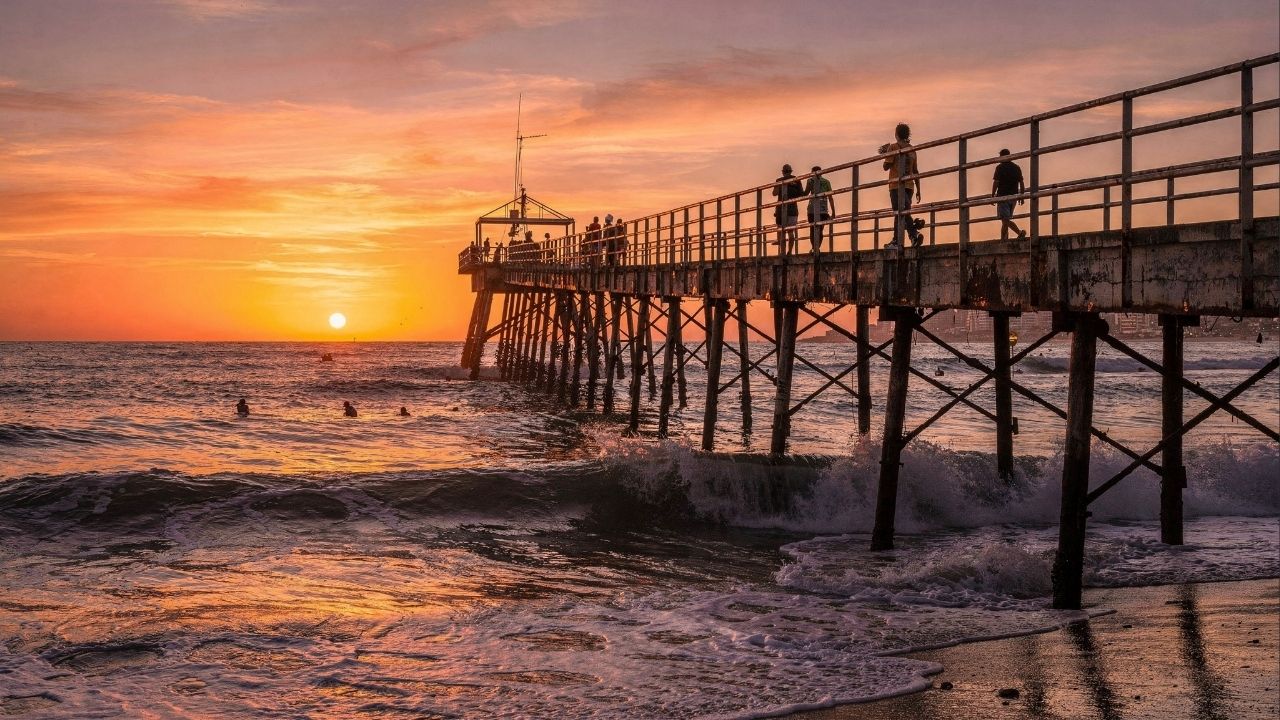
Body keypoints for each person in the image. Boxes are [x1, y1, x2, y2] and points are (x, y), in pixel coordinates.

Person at [882, 123, 924, 249]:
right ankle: (898, 240)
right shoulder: (912, 150)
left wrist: (887, 153)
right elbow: (915, 171)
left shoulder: (893, 147)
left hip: (896, 185)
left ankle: (913, 234)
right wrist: (918, 190)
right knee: (900, 213)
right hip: (910, 186)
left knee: (900, 213)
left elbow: (885, 166)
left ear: (896, 134)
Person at [992, 148, 1027, 240]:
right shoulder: (1016, 167)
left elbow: (996, 182)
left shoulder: (999, 167)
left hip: (1003, 196)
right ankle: (1018, 234)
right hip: (1014, 197)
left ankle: (1004, 240)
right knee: (1006, 220)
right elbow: (1021, 183)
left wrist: (992, 195)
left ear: (1002, 157)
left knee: (1005, 220)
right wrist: (1022, 196)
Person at [772, 164, 803, 253]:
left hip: (780, 210)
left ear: (782, 172)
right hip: (793, 209)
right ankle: (789, 251)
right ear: (791, 171)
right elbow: (801, 194)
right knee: (790, 232)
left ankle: (783, 252)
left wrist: (779, 186)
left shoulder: (779, 180)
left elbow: (774, 193)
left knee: (781, 232)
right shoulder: (796, 180)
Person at [804, 165, 835, 254]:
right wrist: (833, 212)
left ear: (812, 172)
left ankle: (814, 248)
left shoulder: (810, 181)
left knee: (812, 229)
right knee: (820, 229)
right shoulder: (826, 182)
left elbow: (806, 193)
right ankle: (816, 248)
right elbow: (830, 197)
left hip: (812, 208)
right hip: (823, 209)